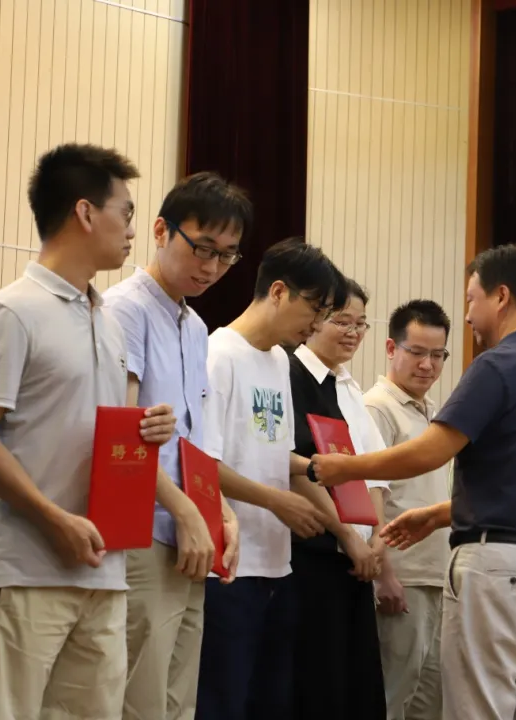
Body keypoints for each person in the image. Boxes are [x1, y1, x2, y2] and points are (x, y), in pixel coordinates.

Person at [310, 244, 516, 720]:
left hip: (501, 569)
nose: (468, 315)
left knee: (478, 710)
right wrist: (441, 514)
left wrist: (345, 467)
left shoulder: (499, 364)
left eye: (472, 299)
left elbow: (431, 451)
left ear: (501, 297)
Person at [0, 144, 177, 720]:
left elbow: (95, 436)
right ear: (85, 212)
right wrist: (54, 520)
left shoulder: (108, 320)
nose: (133, 230)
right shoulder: (11, 312)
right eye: (126, 213)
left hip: (104, 571)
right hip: (25, 568)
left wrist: (146, 431)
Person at [104, 172, 250, 720]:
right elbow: (124, 434)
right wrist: (186, 511)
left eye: (227, 256)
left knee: (178, 700)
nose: (212, 267)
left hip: (190, 533)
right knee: (138, 699)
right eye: (203, 248)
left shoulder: (195, 326)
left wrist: (222, 513)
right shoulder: (125, 309)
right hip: (143, 530)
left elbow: (194, 439)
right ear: (161, 231)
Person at [195, 237, 342, 720]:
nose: (316, 324)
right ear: (278, 291)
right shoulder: (218, 355)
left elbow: (270, 449)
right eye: (315, 309)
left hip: (278, 565)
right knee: (223, 703)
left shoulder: (279, 360)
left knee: (273, 703)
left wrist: (314, 467)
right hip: (229, 569)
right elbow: (203, 465)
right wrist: (276, 501)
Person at [287, 278, 389, 720]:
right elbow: (298, 469)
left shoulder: (346, 385)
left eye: (360, 324)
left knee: (356, 683)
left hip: (357, 557)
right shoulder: (290, 373)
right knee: (319, 681)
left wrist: (377, 538)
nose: (353, 332)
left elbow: (372, 472)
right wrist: (347, 536)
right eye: (342, 321)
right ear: (315, 319)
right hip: (316, 550)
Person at [363, 299, 453, 720]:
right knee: (391, 697)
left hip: (436, 577)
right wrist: (384, 574)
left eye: (438, 354)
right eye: (416, 352)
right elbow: (369, 496)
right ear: (390, 348)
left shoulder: (434, 413)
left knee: (430, 704)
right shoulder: (376, 408)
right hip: (402, 578)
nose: (427, 365)